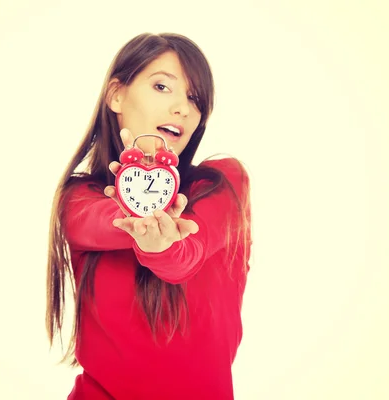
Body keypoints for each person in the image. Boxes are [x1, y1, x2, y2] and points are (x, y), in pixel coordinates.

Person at [46, 32, 252, 399]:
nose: (182, 108)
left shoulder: (221, 184)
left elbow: (184, 254)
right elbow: (102, 222)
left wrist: (163, 244)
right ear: (116, 95)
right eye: (162, 86)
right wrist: (142, 192)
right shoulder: (79, 198)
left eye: (194, 98)